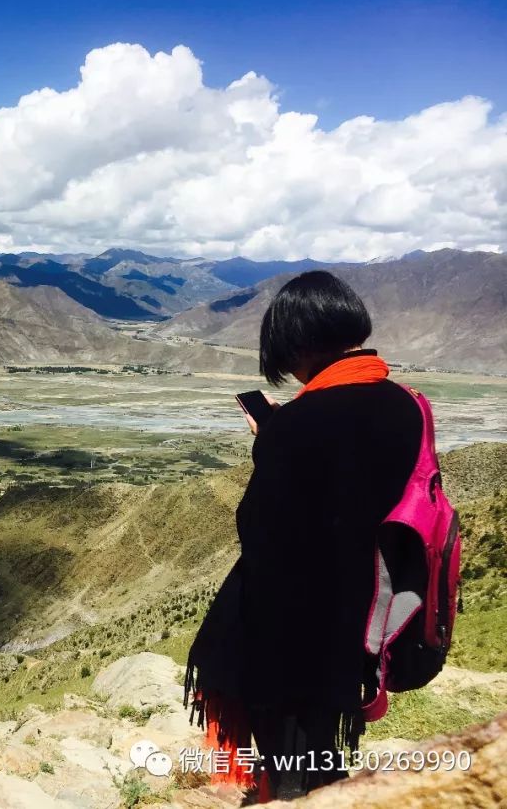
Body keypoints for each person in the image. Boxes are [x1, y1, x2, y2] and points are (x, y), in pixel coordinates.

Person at [183, 271, 423, 802]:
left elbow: (260, 527)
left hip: (301, 622)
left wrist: (270, 443)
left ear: (297, 343)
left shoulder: (294, 425)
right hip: (374, 608)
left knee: (288, 743)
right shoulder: (409, 404)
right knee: (322, 736)